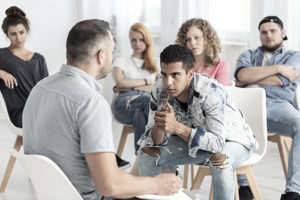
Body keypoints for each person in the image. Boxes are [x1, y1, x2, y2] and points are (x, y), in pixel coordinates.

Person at [23, 19, 181, 200]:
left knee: (149, 150)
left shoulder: (40, 88)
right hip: (91, 197)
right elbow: (109, 186)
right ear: (101, 56)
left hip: (54, 194)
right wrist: (158, 184)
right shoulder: (90, 102)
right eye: (112, 51)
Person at [137, 44, 257, 200]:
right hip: (194, 140)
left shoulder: (211, 91)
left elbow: (217, 145)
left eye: (175, 75)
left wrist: (177, 128)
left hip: (233, 140)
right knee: (147, 153)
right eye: (164, 74)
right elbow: (152, 141)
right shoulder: (159, 90)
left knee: (219, 161)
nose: (168, 82)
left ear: (190, 73)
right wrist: (160, 126)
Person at [235, 16, 300, 200]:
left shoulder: (295, 56)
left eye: (273, 31)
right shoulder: (247, 54)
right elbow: (241, 74)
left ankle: (293, 191)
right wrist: (279, 68)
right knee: (236, 121)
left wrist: (251, 78)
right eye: (264, 32)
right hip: (247, 105)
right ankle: (244, 186)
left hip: (277, 106)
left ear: (283, 33)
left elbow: (283, 80)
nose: (268, 35)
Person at [112, 22, 158, 153]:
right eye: (134, 40)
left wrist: (131, 86)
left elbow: (158, 88)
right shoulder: (121, 61)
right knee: (147, 102)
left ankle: (142, 158)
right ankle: (163, 155)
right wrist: (147, 81)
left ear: (147, 40)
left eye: (141, 39)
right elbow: (120, 83)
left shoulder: (156, 65)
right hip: (123, 105)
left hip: (144, 106)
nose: (137, 44)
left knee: (140, 114)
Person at [0, 6, 48, 128]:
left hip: (41, 109)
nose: (19, 38)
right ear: (7, 35)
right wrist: (1, 73)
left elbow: (47, 90)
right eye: (13, 34)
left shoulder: (39, 59)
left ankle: (17, 147)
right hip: (20, 113)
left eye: (22, 32)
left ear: (27, 31)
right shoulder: (2, 55)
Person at [176, 18, 230, 85]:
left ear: (208, 38)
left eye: (196, 37)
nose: (192, 43)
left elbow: (219, 94)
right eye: (188, 39)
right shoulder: (181, 63)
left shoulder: (221, 66)